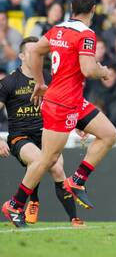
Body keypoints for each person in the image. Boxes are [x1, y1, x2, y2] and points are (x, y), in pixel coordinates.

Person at [1, 0, 116, 228]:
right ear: (93, 9)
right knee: (48, 159)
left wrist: (39, 82)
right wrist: (103, 71)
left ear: (72, 8)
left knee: (109, 134)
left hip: (73, 100)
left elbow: (35, 51)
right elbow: (87, 69)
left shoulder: (58, 29)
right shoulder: (86, 34)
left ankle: (77, 180)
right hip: (61, 104)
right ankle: (14, 204)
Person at [0, 36, 84, 227]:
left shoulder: (49, 78)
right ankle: (27, 202)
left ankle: (74, 219)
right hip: (21, 137)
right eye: (31, 52)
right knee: (40, 160)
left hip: (47, 133)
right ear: (21, 55)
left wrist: (79, 124)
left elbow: (65, 104)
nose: (36, 55)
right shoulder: (9, 82)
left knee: (57, 168)